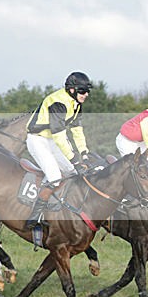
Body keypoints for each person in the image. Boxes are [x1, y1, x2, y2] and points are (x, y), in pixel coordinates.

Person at [24, 72, 93, 228]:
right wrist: (75, 159)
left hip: (51, 140)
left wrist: (84, 154)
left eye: (87, 91)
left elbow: (77, 131)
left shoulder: (76, 104)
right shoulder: (58, 102)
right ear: (72, 90)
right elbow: (60, 136)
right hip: (38, 140)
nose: (86, 94)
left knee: (72, 174)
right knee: (54, 176)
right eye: (82, 91)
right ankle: (36, 215)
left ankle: (61, 210)